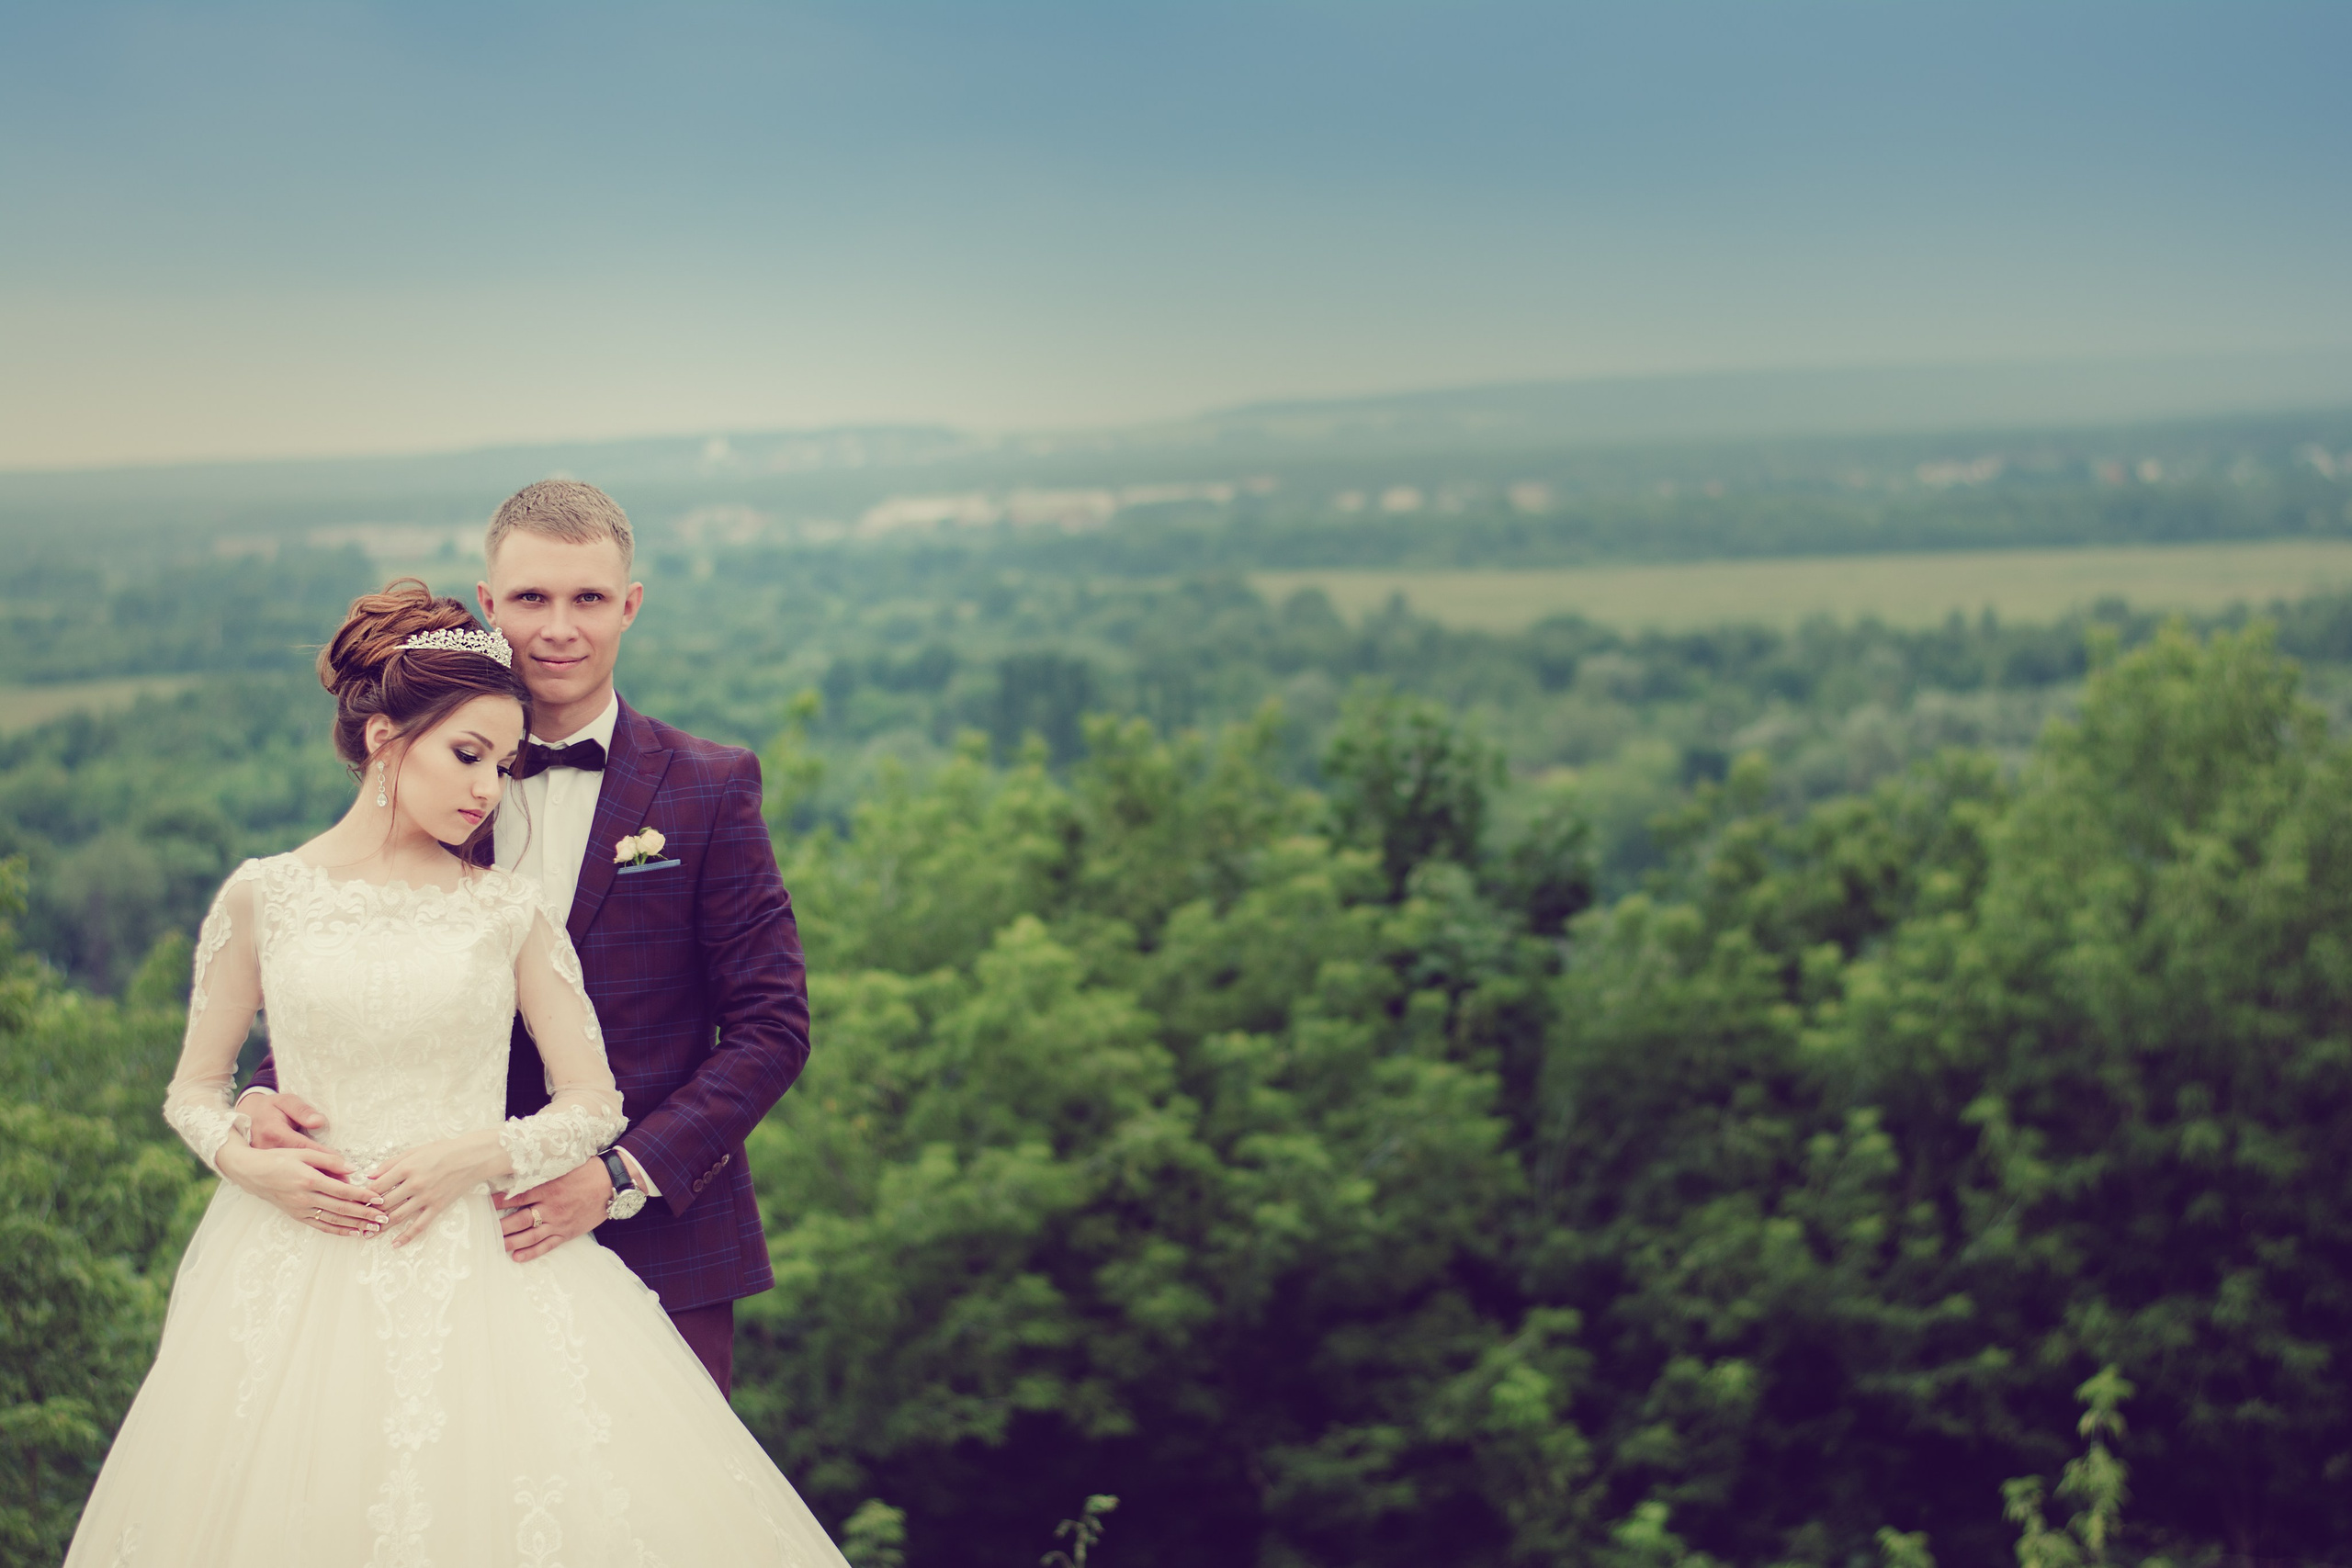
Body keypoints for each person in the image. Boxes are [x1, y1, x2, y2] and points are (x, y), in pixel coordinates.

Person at [64, 581, 846, 1565]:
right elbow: (197, 1089)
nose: (488, 789)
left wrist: (475, 1155)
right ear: (386, 737)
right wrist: (247, 1152)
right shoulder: (264, 894)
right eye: (468, 756)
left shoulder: (506, 907)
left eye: (503, 765)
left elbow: (612, 1092)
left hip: (488, 1251)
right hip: (292, 1256)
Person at [240, 479, 807, 1393]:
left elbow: (770, 1031)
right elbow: (358, 970)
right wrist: (265, 1096)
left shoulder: (712, 786)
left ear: (629, 607)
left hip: (663, 1243)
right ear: (491, 605)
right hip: (442, 1236)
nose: (559, 629)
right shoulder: (426, 775)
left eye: (587, 599)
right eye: (533, 599)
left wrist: (616, 1175)